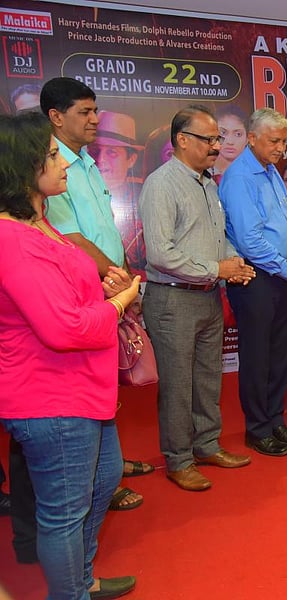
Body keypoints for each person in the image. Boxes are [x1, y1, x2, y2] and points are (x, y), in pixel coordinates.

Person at [0, 111, 140, 600]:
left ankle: (80, 579)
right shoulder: (12, 238)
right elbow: (64, 328)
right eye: (53, 154)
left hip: (80, 390)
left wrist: (105, 287)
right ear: (24, 165)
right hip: (50, 396)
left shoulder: (39, 225)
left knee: (101, 485)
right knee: (63, 512)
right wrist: (118, 303)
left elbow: (67, 297)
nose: (64, 161)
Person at [41, 78, 148, 512]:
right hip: (83, 292)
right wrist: (119, 275)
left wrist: (119, 276)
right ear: (55, 116)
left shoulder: (84, 162)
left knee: (106, 382)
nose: (94, 119)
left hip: (107, 287)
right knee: (86, 390)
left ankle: (109, 466)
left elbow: (102, 230)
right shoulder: (51, 169)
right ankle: (96, 481)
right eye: (84, 112)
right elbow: (70, 237)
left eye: (94, 110)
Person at [140, 105, 256, 491]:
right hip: (173, 300)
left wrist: (231, 263)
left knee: (208, 379)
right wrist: (215, 268)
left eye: (218, 138)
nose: (216, 146)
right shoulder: (161, 184)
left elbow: (215, 236)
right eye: (209, 139)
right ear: (182, 141)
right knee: (177, 385)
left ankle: (207, 445)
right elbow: (160, 253)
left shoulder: (207, 182)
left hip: (208, 295)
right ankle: (178, 459)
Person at [220, 108, 287, 457]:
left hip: (281, 273)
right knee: (258, 357)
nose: (281, 147)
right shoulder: (241, 176)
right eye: (274, 140)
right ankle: (257, 428)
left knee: (278, 354)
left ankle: (275, 420)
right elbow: (250, 241)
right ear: (252, 138)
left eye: (285, 140)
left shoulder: (271, 171)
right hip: (256, 277)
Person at [89, 111, 147, 275]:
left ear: (131, 159)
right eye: (95, 151)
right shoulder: (77, 197)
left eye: (112, 152)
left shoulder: (145, 200)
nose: (101, 161)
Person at [210, 104, 247, 183]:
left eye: (238, 134)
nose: (230, 142)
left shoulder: (253, 174)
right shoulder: (202, 171)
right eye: (223, 132)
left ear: (248, 139)